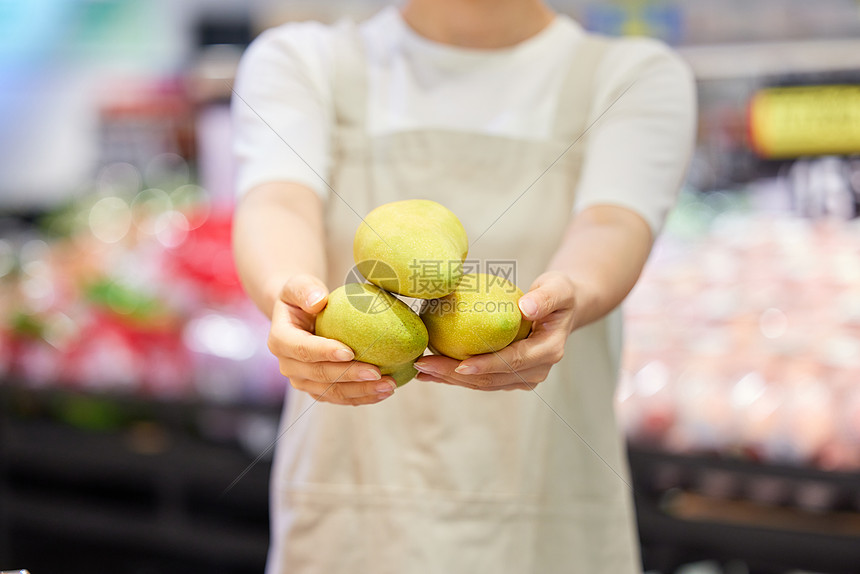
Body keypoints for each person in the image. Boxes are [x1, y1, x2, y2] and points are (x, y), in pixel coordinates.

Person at [231, 0, 696, 572]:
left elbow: (613, 224)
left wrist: (571, 294)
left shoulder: (634, 75)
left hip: (548, 487)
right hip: (351, 492)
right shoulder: (302, 60)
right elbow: (276, 202)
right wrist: (289, 294)